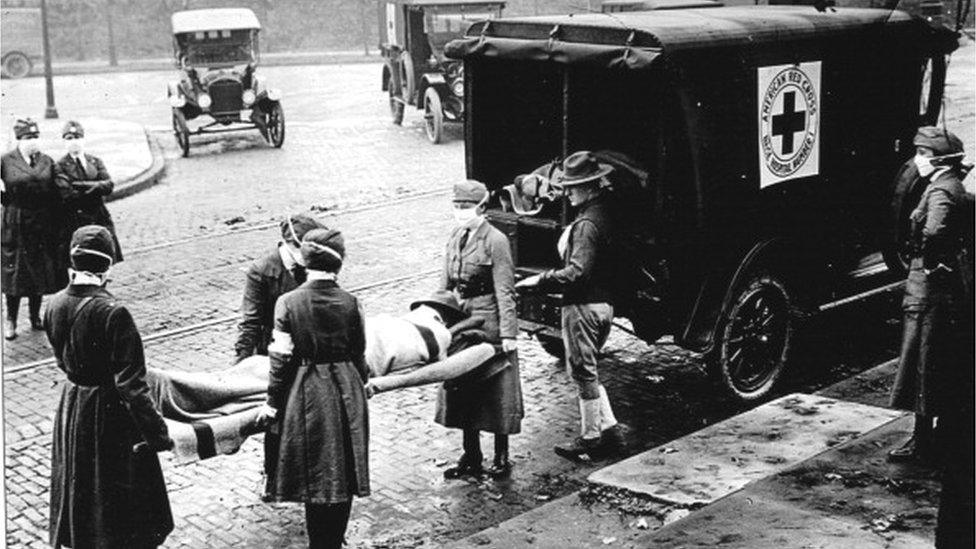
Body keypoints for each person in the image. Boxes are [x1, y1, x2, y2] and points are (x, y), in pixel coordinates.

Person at [45, 225, 175, 548]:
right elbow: (132, 386)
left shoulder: (54, 304)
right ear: (106, 268)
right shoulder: (114, 313)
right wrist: (158, 435)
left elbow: (63, 362)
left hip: (73, 406)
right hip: (109, 415)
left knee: (79, 484)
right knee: (116, 499)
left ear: (73, 264)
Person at [256, 227, 369, 549]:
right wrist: (365, 383)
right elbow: (359, 352)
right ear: (339, 264)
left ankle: (320, 543)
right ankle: (336, 540)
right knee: (345, 466)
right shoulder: (351, 302)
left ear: (305, 262)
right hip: (348, 389)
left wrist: (272, 403)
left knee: (315, 469)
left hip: (307, 393)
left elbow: (280, 360)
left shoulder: (288, 303)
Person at [516, 151, 626, 461]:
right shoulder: (606, 213)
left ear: (590, 186)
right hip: (604, 305)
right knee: (589, 371)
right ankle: (612, 432)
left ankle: (591, 437)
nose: (568, 192)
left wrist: (539, 282)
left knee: (582, 374)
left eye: (574, 186)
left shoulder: (586, 225)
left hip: (582, 307)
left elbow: (577, 272)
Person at [889, 127, 973, 464]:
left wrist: (930, 264)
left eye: (922, 154)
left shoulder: (941, 191)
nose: (917, 160)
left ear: (938, 159)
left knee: (921, 361)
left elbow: (934, 230)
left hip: (928, 291)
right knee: (937, 361)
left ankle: (921, 442)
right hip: (944, 289)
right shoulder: (954, 187)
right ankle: (934, 434)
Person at [436, 179, 523, 480]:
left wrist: (509, 333)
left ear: (483, 207)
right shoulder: (455, 236)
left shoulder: (495, 240)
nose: (460, 212)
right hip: (461, 320)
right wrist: (436, 315)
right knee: (462, 386)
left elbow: (505, 290)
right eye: (456, 206)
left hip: (489, 322)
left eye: (466, 206)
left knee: (496, 389)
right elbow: (444, 283)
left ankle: (501, 455)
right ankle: (470, 455)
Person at [236, 213, 324, 500]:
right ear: (289, 243)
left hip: (310, 350)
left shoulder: (315, 262)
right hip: (274, 351)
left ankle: (307, 473)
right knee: (276, 419)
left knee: (309, 414)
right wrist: (241, 365)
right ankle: (272, 475)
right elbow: (249, 321)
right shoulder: (263, 270)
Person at [1, 118, 68, 340]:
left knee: (39, 272)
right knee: (15, 273)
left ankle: (35, 316)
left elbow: (57, 189)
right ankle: (10, 320)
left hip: (42, 223)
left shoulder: (46, 161)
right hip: (17, 223)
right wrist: (5, 201)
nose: (33, 141)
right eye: (28, 138)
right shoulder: (6, 161)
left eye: (35, 137)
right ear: (19, 139)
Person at [54, 120, 124, 262]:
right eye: (69, 138)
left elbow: (109, 185)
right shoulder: (60, 166)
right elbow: (68, 194)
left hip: (99, 216)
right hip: (76, 219)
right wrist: (97, 186)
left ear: (83, 139)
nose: (74, 142)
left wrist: (82, 185)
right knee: (81, 258)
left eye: (77, 138)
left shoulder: (94, 161)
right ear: (64, 141)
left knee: (104, 254)